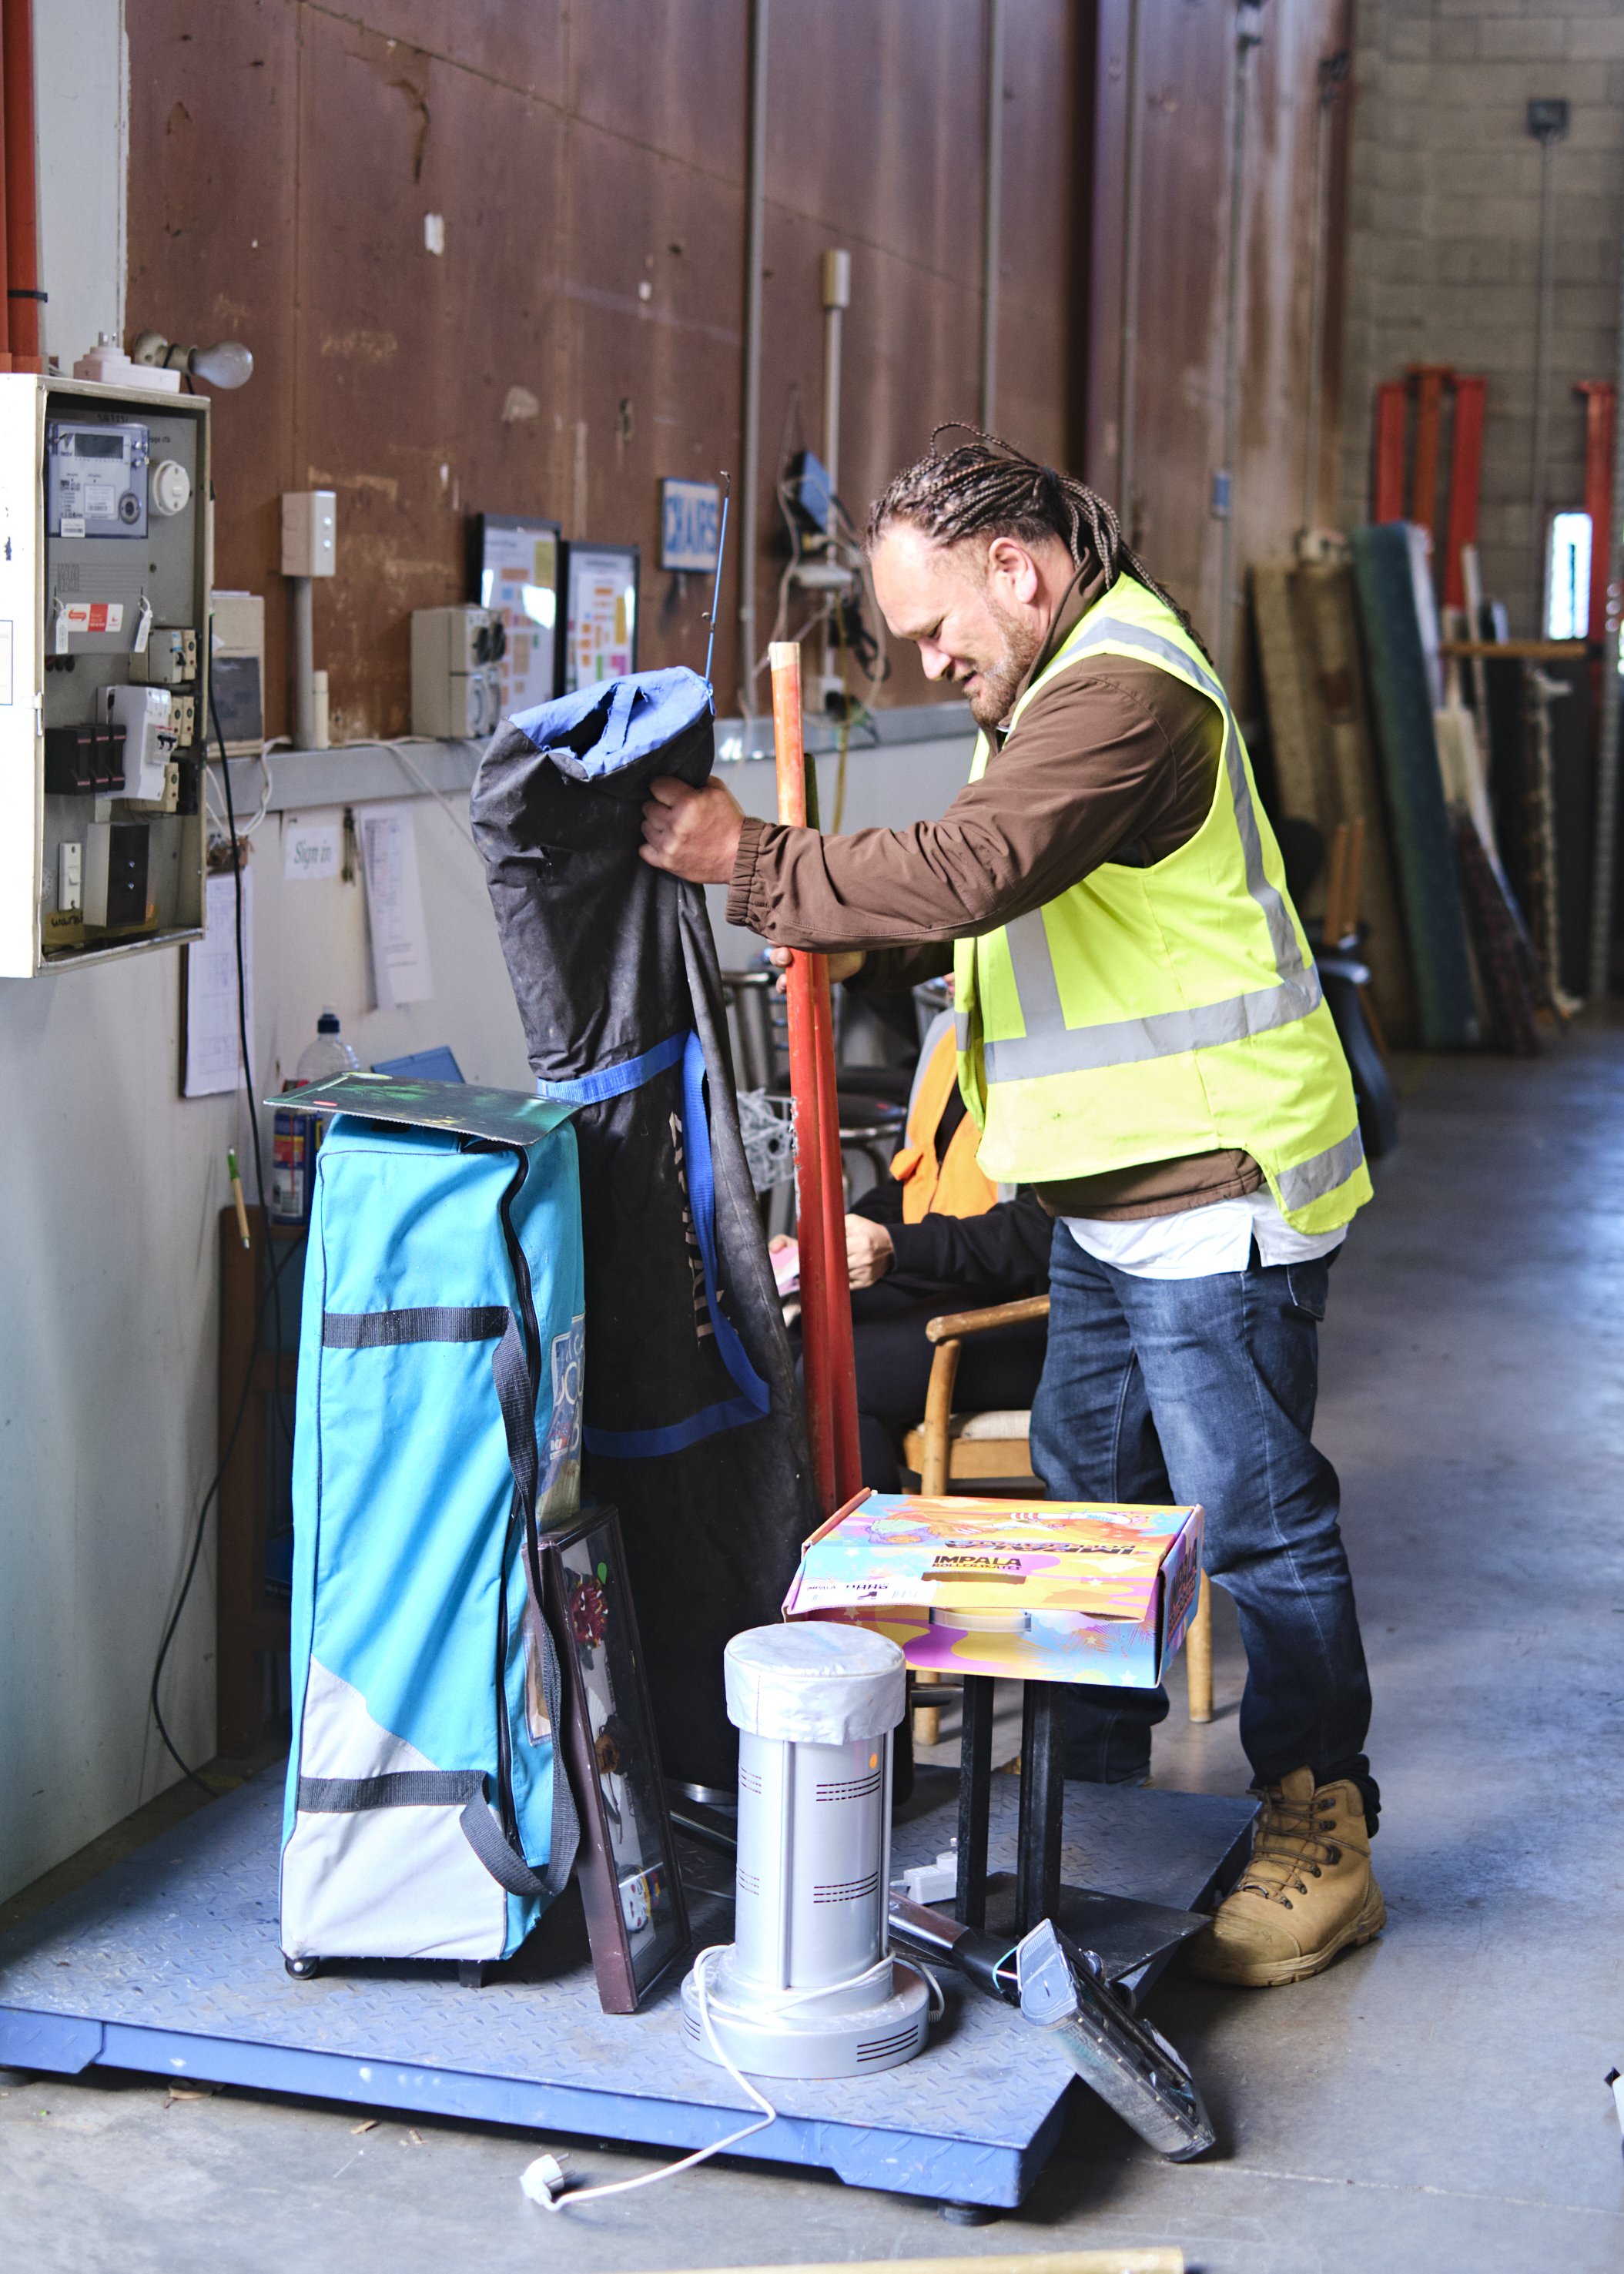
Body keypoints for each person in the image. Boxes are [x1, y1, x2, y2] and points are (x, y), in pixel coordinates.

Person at [641, 428, 1381, 1989]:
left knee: (1250, 1513)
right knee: (1083, 1495)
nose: (927, 660)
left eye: (934, 630)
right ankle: (1091, 1786)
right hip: (1110, 1196)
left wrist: (746, 856)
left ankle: (1322, 1821)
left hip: (1211, 1185)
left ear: (1016, 571)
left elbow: (974, 867)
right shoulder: (1053, 682)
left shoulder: (1122, 692)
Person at [782, 1001, 1052, 1492]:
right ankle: (822, 1536)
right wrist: (836, 1237)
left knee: (843, 1375)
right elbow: (910, 1178)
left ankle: (871, 1559)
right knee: (796, 1337)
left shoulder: (1049, 1039)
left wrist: (896, 1249)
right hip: (956, 1275)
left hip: (1032, 1310)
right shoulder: (951, 1031)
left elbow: (1038, 1236)